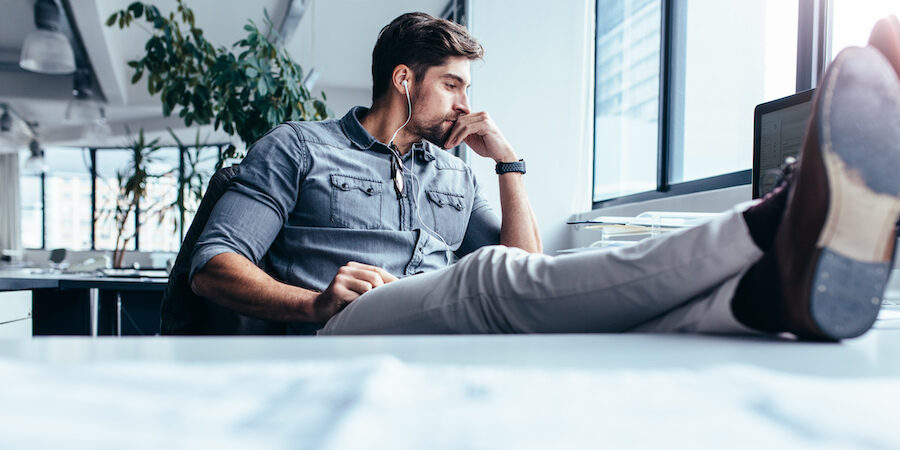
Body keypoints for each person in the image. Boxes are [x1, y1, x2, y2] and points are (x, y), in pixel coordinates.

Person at [190, 13, 900, 341]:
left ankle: (761, 297)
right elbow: (213, 267)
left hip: (432, 326)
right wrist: (315, 301)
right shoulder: (299, 149)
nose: (468, 104)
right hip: (343, 329)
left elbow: (529, 267)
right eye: (453, 86)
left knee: (617, 311)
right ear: (404, 82)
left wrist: (509, 165)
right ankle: (775, 220)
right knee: (484, 278)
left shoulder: (451, 173)